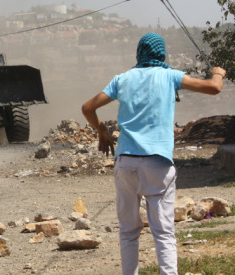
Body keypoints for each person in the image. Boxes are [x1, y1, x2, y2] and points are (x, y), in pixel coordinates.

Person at [81, 33, 226, 275]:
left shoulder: (122, 79)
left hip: (125, 163)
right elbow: (214, 88)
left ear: (139, 53)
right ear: (162, 54)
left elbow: (88, 107)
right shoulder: (170, 75)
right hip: (157, 164)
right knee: (163, 232)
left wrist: (101, 131)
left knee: (128, 231)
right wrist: (218, 72)